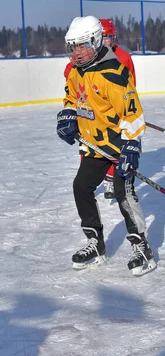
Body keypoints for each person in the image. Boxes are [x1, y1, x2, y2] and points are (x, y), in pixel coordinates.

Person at [57, 15, 155, 276]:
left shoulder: (113, 74)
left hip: (119, 144)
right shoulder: (78, 72)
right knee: (81, 187)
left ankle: (141, 245)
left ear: (97, 41)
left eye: (82, 46)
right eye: (73, 47)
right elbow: (71, 97)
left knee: (124, 192)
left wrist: (131, 147)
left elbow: (132, 114)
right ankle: (95, 242)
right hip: (94, 145)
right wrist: (68, 116)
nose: (76, 52)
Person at [63, 18, 137, 200]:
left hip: (113, 110)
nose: (106, 42)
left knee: (118, 145)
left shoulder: (123, 57)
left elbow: (129, 86)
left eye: (109, 37)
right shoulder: (79, 62)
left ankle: (119, 181)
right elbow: (73, 83)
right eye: (103, 37)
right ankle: (100, 177)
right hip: (89, 112)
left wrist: (123, 108)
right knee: (89, 147)